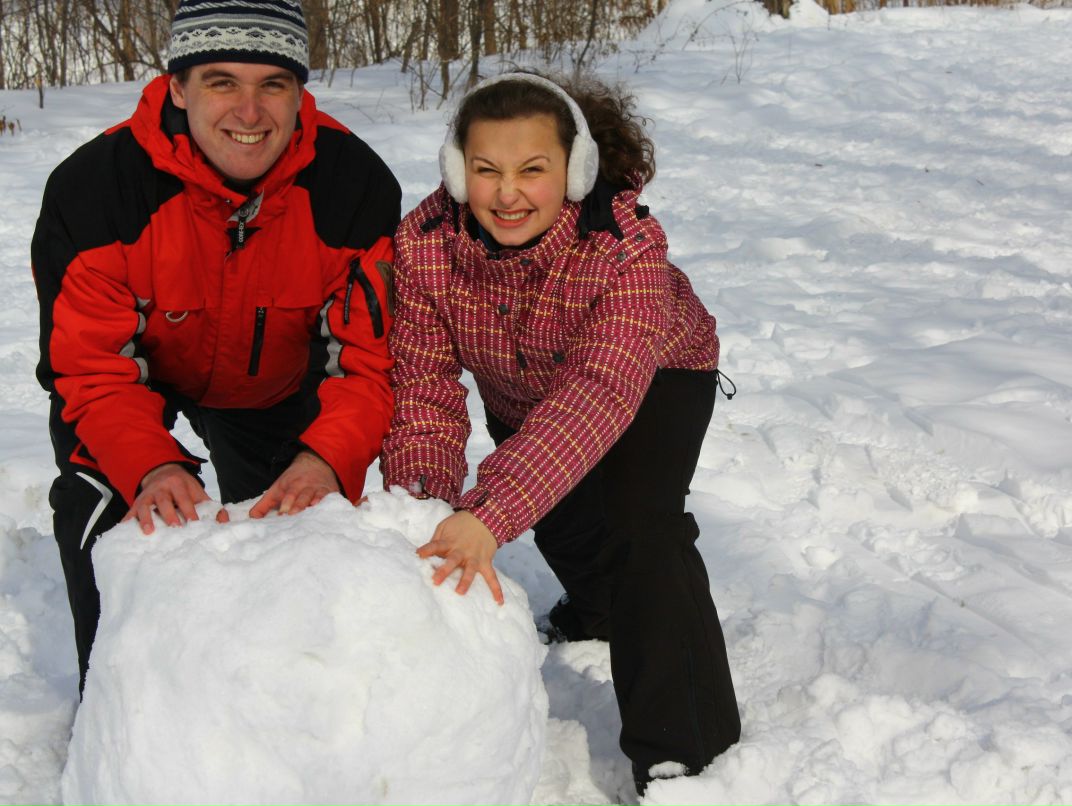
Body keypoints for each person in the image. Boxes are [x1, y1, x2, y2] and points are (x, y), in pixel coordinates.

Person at [381, 71, 741, 793]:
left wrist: (488, 512)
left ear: (573, 173)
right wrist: (423, 504)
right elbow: (423, 386)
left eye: (531, 170)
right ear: (458, 172)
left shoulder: (623, 246)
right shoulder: (423, 248)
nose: (507, 193)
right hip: (521, 384)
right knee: (563, 522)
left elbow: (599, 393)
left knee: (642, 529)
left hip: (654, 378)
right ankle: (601, 611)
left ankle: (683, 749)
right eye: (486, 170)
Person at [31, 0, 401, 694]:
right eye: (221, 81)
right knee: (105, 506)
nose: (249, 110)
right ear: (177, 87)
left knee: (291, 529)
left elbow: (366, 361)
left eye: (273, 84)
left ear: (301, 93)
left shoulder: (354, 187)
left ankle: (272, 700)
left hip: (272, 383)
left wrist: (325, 458)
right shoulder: (95, 191)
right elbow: (89, 366)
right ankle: (116, 701)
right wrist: (149, 468)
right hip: (133, 385)